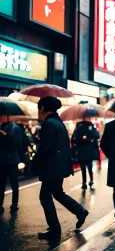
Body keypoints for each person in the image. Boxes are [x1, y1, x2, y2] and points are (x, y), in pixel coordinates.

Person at [32, 97, 89, 239]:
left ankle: (54, 229)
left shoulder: (49, 123)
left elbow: (46, 148)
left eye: (39, 108)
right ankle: (79, 211)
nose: (38, 111)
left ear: (43, 108)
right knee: (57, 193)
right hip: (59, 165)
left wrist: (35, 161)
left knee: (45, 196)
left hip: (52, 167)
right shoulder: (57, 122)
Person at [0, 116, 22, 214]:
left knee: (14, 183)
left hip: (12, 160)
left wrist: (5, 135)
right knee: (1, 184)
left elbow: (16, 142)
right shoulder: (2, 127)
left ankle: (14, 203)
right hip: (2, 160)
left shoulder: (14, 127)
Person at [72, 117, 100, 189]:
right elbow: (74, 138)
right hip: (84, 149)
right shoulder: (81, 126)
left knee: (88, 166)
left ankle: (89, 180)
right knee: (84, 167)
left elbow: (96, 136)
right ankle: (86, 181)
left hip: (86, 149)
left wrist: (87, 138)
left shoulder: (81, 126)